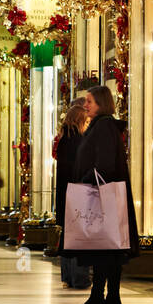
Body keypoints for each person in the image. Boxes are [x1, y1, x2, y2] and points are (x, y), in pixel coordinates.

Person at [68, 85, 139, 304]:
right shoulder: (100, 125)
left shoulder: (105, 126)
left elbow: (105, 164)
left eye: (89, 101)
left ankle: (104, 296)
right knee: (106, 248)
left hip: (102, 195)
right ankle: (106, 296)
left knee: (105, 246)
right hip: (103, 195)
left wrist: (86, 181)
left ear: (101, 103)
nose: (85, 105)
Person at [55, 101, 90, 287]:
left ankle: (67, 277)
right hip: (78, 192)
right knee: (79, 237)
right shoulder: (79, 141)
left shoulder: (63, 140)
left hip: (64, 194)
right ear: (79, 121)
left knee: (67, 236)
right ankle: (80, 278)